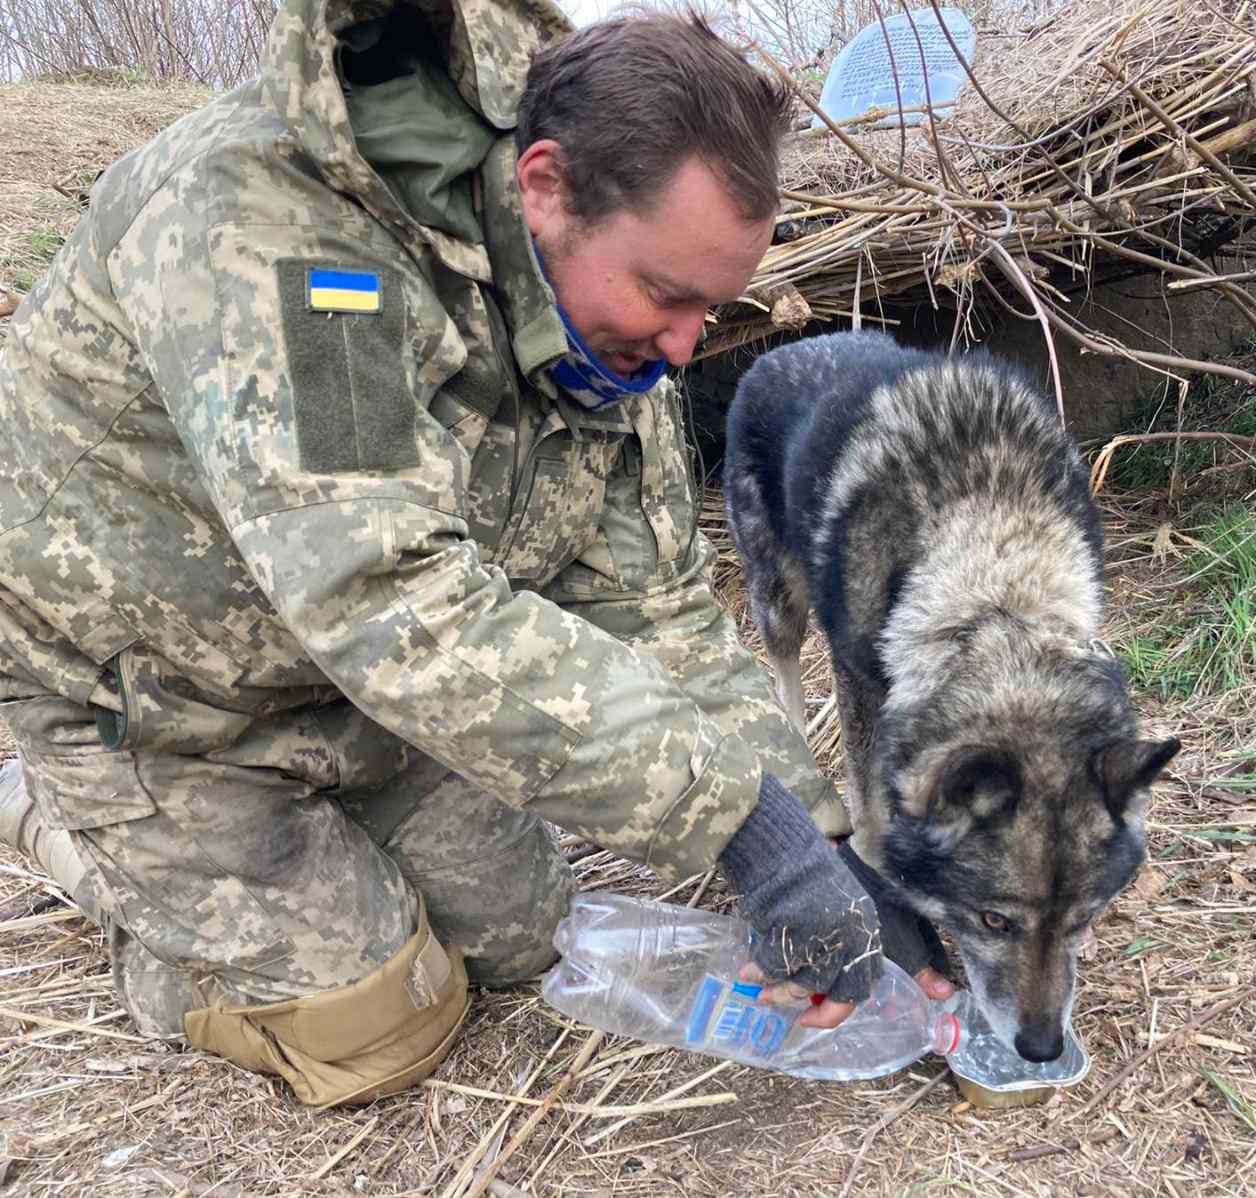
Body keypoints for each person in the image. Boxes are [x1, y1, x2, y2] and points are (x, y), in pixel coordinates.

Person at [0, 0, 949, 1108]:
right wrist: (740, 828)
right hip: (161, 706)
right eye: (669, 295)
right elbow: (386, 596)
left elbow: (659, 609)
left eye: (710, 304)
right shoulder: (290, 242)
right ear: (542, 185)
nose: (690, 344)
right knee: (381, 1025)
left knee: (528, 934)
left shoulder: (603, 322)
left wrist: (817, 842)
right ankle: (59, 819)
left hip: (356, 701)